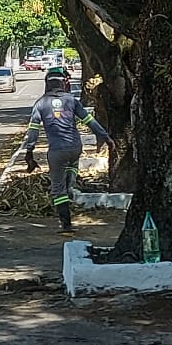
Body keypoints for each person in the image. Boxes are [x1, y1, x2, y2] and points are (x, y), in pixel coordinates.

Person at [22, 66, 113, 232]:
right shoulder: (72, 101)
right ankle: (70, 181)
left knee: (57, 190)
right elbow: (89, 121)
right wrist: (105, 137)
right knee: (71, 166)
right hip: (75, 147)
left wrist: (29, 151)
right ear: (63, 83)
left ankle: (66, 224)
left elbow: (33, 130)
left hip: (56, 152)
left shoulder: (41, 103)